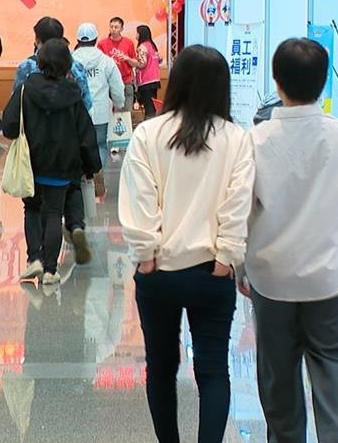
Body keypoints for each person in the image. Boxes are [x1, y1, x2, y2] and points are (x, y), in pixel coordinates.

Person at [241, 37, 338, 443]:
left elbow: (240, 211)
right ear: (322, 82)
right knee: (335, 369)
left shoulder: (256, 140)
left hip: (271, 278)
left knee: (278, 376)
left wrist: (238, 265)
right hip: (329, 277)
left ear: (276, 81)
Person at [119, 44, 255, 443]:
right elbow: (238, 203)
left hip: (159, 273)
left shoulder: (149, 134)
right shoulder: (235, 138)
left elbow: (140, 198)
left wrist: (146, 255)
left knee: (160, 369)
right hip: (212, 272)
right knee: (213, 371)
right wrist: (226, 258)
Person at [3, 39, 101, 285]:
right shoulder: (73, 94)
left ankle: (34, 259)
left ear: (41, 61)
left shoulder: (26, 89)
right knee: (54, 213)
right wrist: (91, 166)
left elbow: (9, 126)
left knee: (32, 209)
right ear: (67, 63)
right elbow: (85, 134)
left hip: (31, 163)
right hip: (63, 165)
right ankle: (50, 271)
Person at [14, 17, 94, 263]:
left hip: (34, 147)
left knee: (34, 205)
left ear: (37, 38)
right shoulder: (75, 67)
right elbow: (86, 103)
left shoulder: (27, 68)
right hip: (67, 143)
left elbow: (17, 107)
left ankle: (35, 258)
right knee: (64, 196)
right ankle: (74, 227)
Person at [72, 22, 125, 189]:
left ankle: (81, 180)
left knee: (76, 146)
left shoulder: (70, 61)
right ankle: (96, 176)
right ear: (95, 39)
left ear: (78, 40)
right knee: (100, 145)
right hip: (101, 112)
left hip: (77, 113)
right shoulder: (106, 61)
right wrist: (119, 103)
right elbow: (117, 86)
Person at [98, 16, 138, 112]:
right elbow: (98, 64)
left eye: (116, 27)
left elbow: (135, 63)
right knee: (109, 112)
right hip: (108, 82)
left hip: (126, 81)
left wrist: (127, 58)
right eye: (111, 27)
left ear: (121, 29)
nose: (113, 29)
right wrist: (108, 61)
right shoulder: (102, 44)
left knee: (126, 112)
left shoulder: (128, 42)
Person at [135, 24, 162, 119]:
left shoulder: (142, 47)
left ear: (141, 34)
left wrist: (131, 61)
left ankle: (149, 124)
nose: (136, 35)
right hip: (155, 79)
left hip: (145, 80)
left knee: (149, 107)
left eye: (137, 33)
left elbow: (142, 63)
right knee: (153, 105)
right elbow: (160, 59)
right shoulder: (152, 46)